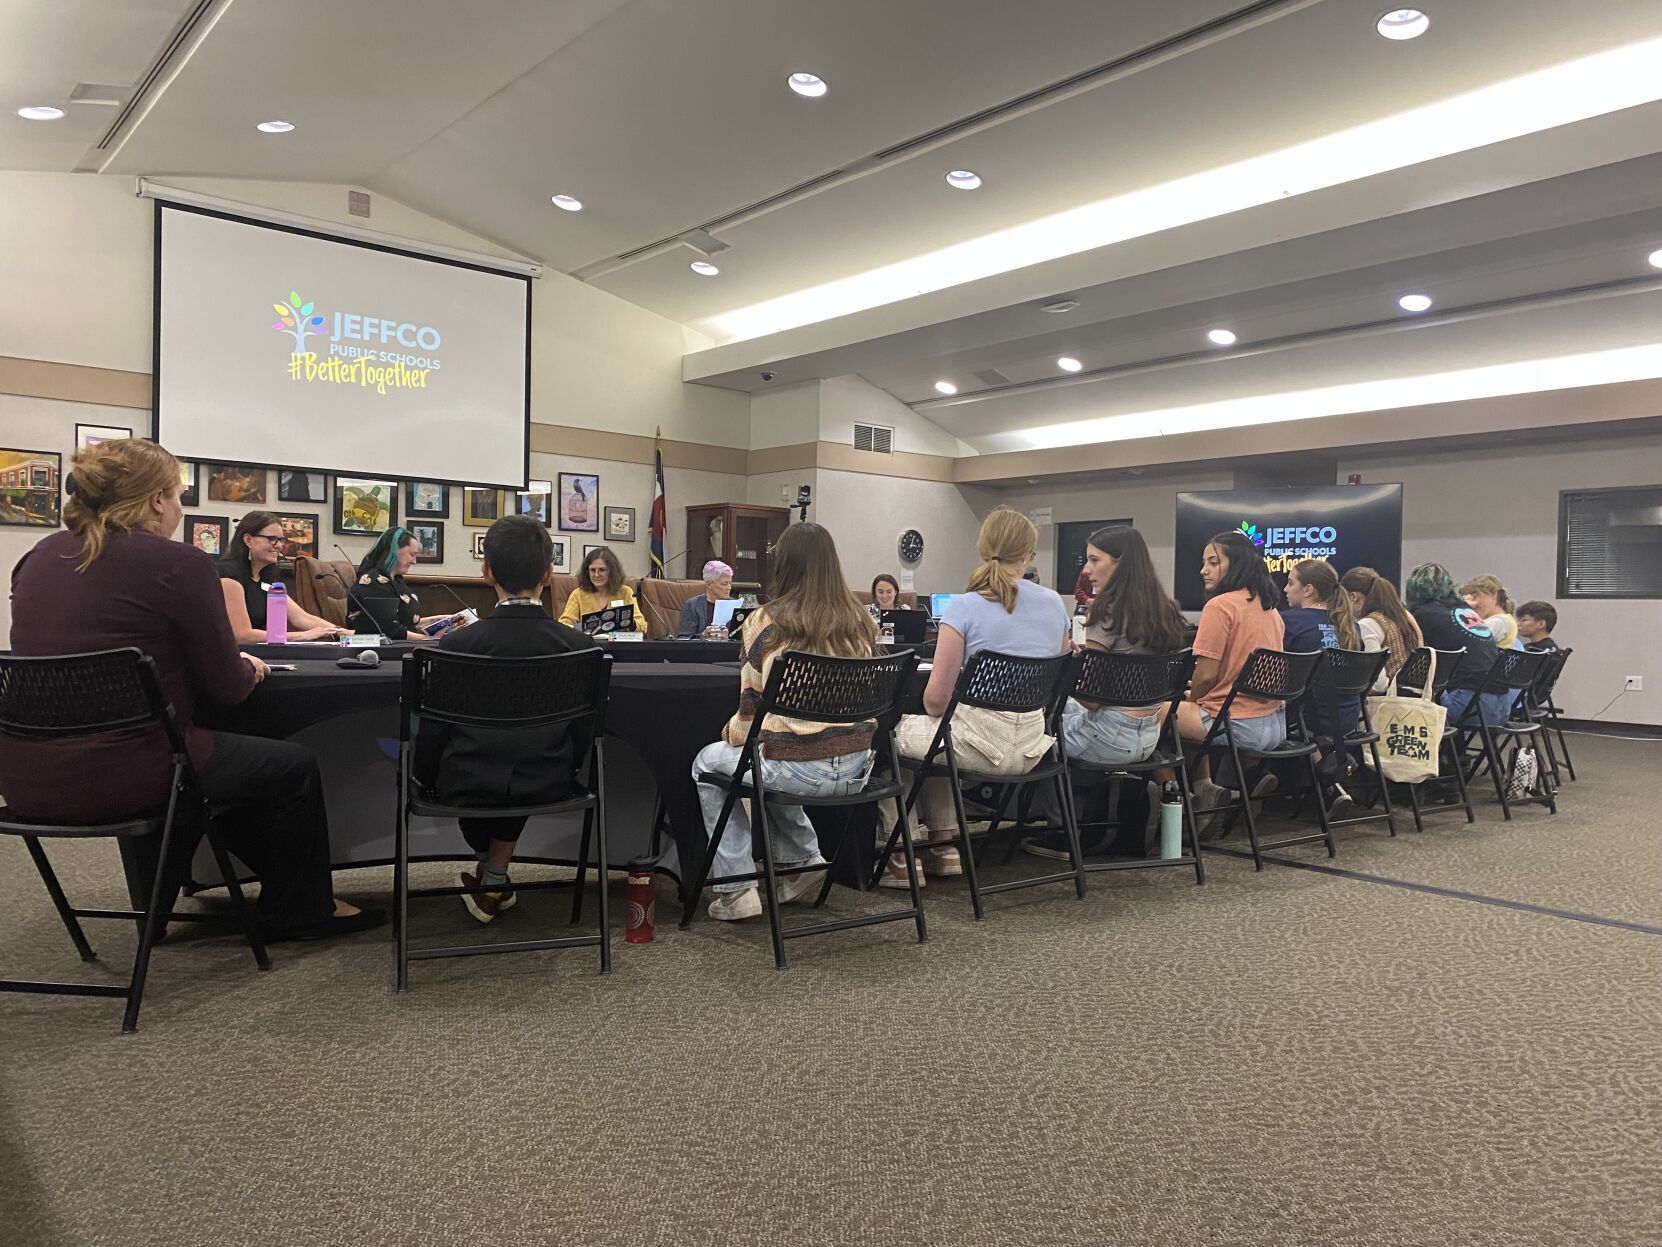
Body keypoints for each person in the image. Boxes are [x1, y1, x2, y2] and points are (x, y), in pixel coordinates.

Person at [0, 439, 379, 941]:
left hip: (28, 776)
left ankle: (153, 910)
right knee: (287, 766)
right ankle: (298, 910)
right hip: (137, 769)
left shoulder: (37, 558)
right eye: (177, 495)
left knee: (210, 766)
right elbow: (227, 687)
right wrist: (246, 667)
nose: (179, 508)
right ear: (157, 499)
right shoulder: (178, 564)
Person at [414, 515, 599, 923]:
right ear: (549, 574)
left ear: (487, 572)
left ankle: (492, 874)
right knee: (520, 755)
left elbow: (434, 732)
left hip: (463, 780)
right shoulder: (581, 647)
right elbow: (583, 732)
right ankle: (494, 875)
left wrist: (421, 776)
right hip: (550, 778)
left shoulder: (455, 646)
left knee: (484, 763)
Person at [692, 523, 878, 921]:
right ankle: (802, 862)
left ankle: (736, 889)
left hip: (797, 768)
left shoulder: (765, 621)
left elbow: (747, 722)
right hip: (859, 768)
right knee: (768, 759)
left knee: (712, 762)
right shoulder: (862, 623)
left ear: (784, 565)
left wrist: (728, 734)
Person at [882, 509, 1070, 888]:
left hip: (977, 748)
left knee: (892, 734)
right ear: (1029, 553)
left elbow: (936, 702)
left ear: (983, 548)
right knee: (935, 739)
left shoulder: (964, 607)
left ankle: (899, 853)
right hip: (1035, 750)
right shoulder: (1054, 605)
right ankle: (944, 846)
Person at [1023, 524, 1187, 861]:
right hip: (1148, 738)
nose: (1086, 569)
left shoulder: (1105, 612)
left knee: (1036, 728)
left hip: (1107, 739)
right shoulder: (1166, 610)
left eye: (1094, 560)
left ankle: (1063, 832)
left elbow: (1090, 698)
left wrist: (1069, 668)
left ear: (1120, 563)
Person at [1179, 530, 1287, 821]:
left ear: (1236, 564)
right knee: (1192, 712)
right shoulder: (1270, 609)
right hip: (1273, 727)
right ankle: (1246, 782)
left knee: (1157, 714)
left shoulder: (1220, 606)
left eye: (1213, 562)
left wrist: (1195, 699)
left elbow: (1204, 677)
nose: (1203, 570)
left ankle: (1194, 794)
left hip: (1236, 725)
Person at [1281, 559, 1363, 815]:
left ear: (1308, 590)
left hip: (1309, 720)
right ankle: (1330, 785)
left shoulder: (1288, 622)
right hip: (1348, 720)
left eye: (1290, 582)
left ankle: (1250, 790)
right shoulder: (1351, 625)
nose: (1285, 589)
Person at [1404, 562, 1506, 726]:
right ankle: (1452, 751)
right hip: (1500, 708)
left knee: (1404, 708)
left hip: (1467, 705)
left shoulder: (1423, 614)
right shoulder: (1465, 610)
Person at [217, 511, 341, 643]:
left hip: (259, 650)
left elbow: (301, 618)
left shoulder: (267, 577)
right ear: (248, 540)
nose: (279, 546)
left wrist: (344, 633)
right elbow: (241, 635)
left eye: (281, 540)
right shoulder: (228, 575)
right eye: (272, 539)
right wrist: (301, 636)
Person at [1339, 565, 1424, 691]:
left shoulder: (1368, 624)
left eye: (1342, 600)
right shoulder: (1406, 615)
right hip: (1417, 699)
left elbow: (1379, 685)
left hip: (1389, 704)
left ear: (1353, 597)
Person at [345, 526, 436, 641]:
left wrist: (440, 620)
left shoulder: (396, 581)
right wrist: (429, 639)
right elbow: (389, 630)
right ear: (395, 550)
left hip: (397, 646)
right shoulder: (373, 582)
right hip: (373, 649)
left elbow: (408, 623)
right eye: (412, 555)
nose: (414, 562)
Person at [558, 546, 640, 631]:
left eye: (602, 570)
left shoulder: (626, 592)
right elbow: (564, 623)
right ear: (587, 572)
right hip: (588, 643)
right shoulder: (578, 594)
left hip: (617, 643)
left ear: (612, 571)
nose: (596, 575)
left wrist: (630, 624)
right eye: (592, 570)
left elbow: (642, 625)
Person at [677, 560, 735, 637]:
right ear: (709, 584)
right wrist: (703, 636)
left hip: (730, 648)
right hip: (701, 649)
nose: (729, 588)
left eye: (730, 583)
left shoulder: (735, 606)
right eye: (724, 584)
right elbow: (683, 639)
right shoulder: (692, 606)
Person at [1460, 574, 1519, 649]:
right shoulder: (1505, 620)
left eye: (1475, 596)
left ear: (1493, 595)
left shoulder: (1499, 622)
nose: (1473, 604)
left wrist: (1463, 608)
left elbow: (1468, 641)